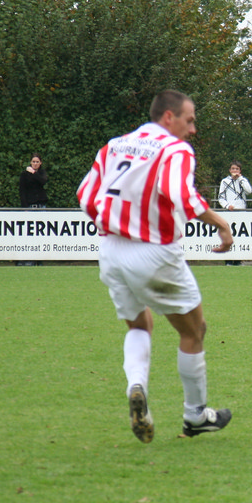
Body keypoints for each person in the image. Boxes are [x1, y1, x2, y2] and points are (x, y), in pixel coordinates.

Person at [76, 90, 235, 444]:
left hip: (111, 251)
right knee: (194, 330)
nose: (193, 130)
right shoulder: (175, 149)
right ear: (168, 117)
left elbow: (85, 194)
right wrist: (221, 224)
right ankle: (195, 415)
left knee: (139, 324)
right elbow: (181, 194)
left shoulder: (115, 145)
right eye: (189, 120)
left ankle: (137, 386)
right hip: (153, 252)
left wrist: (115, 225)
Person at [18, 153, 49, 266]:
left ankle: (40, 260)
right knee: (30, 233)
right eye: (33, 162)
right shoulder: (24, 174)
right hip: (30, 206)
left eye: (37, 162)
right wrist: (25, 207)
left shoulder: (41, 173)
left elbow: (43, 181)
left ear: (40, 163)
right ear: (30, 162)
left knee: (41, 232)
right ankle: (30, 258)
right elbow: (22, 190)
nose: (35, 164)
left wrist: (34, 173)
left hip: (41, 205)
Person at [218, 161, 250, 264]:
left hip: (241, 212)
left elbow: (249, 191)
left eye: (237, 169)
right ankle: (228, 260)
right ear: (229, 170)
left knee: (240, 237)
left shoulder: (243, 180)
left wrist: (240, 179)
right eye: (233, 169)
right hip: (229, 212)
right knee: (228, 235)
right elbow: (221, 198)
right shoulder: (224, 181)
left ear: (240, 170)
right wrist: (227, 206)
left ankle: (238, 260)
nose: (235, 171)